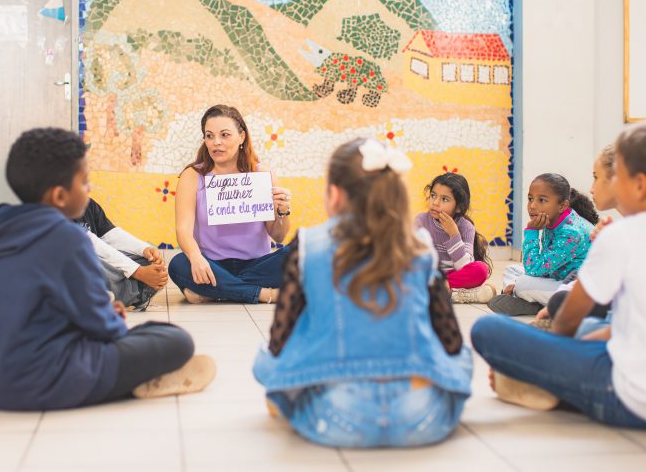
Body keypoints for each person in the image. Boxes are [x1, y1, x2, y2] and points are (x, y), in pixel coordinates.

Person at [0, 127, 215, 411]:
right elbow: (106, 330)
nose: (89, 190)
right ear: (60, 196)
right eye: (85, 182)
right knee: (176, 339)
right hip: (36, 384)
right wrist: (110, 318)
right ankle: (133, 381)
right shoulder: (67, 237)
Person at [253, 138, 472, 448]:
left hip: (338, 418)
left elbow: (279, 343)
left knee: (264, 359)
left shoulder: (308, 245)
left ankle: (289, 398)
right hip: (423, 419)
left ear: (335, 194)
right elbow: (452, 344)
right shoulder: (420, 246)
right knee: (463, 357)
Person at [471, 125, 646, 428]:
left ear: (640, 185)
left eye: (616, 176)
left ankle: (550, 385)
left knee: (488, 329)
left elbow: (565, 322)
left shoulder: (620, 235)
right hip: (615, 342)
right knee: (591, 325)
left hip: (628, 397)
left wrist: (545, 355)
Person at [168, 105, 292, 304]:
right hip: (212, 265)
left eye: (225, 135)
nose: (216, 142)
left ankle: (215, 291)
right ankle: (264, 294)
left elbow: (278, 236)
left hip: (258, 265)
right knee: (178, 264)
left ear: (241, 136)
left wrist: (283, 211)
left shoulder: (262, 174)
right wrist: (196, 258)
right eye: (209, 136)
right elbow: (183, 229)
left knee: (301, 253)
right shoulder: (193, 176)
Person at [488, 173, 598, 316]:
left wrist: (531, 232)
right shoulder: (552, 220)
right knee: (512, 270)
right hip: (557, 275)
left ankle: (535, 304)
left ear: (562, 205)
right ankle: (532, 301)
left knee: (522, 283)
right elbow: (540, 266)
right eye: (530, 199)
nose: (532, 206)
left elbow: (533, 269)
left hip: (578, 290)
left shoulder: (571, 233)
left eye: (542, 200)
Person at [536, 145, 618, 332]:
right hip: (573, 286)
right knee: (518, 276)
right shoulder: (613, 230)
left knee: (488, 327)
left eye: (596, 178)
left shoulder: (575, 231)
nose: (591, 189)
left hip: (620, 336)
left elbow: (536, 269)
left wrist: (530, 232)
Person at [414, 173, 494, 303]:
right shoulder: (421, 221)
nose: (435, 202)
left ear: (458, 207)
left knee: (480, 269)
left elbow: (465, 267)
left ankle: (439, 289)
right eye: (433, 195)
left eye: (444, 199)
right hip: (427, 273)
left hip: (453, 276)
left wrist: (454, 235)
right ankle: (459, 294)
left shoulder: (466, 227)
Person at [75, 197, 167, 310]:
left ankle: (107, 294)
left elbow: (110, 234)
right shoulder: (55, 211)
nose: (88, 186)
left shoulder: (88, 203)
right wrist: (138, 272)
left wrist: (145, 249)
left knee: (148, 263)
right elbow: (92, 243)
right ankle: (133, 293)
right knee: (87, 263)